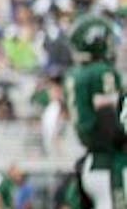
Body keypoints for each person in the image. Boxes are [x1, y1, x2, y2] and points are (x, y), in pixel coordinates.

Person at [65, 14, 127, 207]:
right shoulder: (101, 72)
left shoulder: (76, 74)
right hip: (108, 164)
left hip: (93, 160)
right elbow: (107, 119)